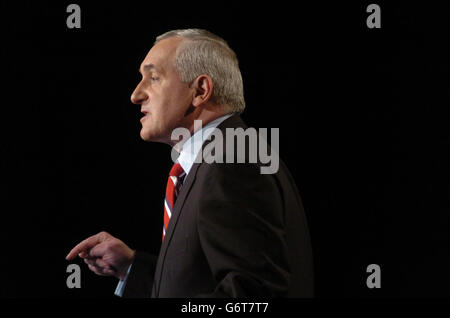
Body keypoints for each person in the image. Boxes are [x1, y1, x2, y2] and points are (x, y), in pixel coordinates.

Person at [66, 29, 314, 297]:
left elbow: (253, 296)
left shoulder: (231, 163)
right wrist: (132, 267)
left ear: (200, 90)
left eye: (153, 78)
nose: (136, 95)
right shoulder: (217, 159)